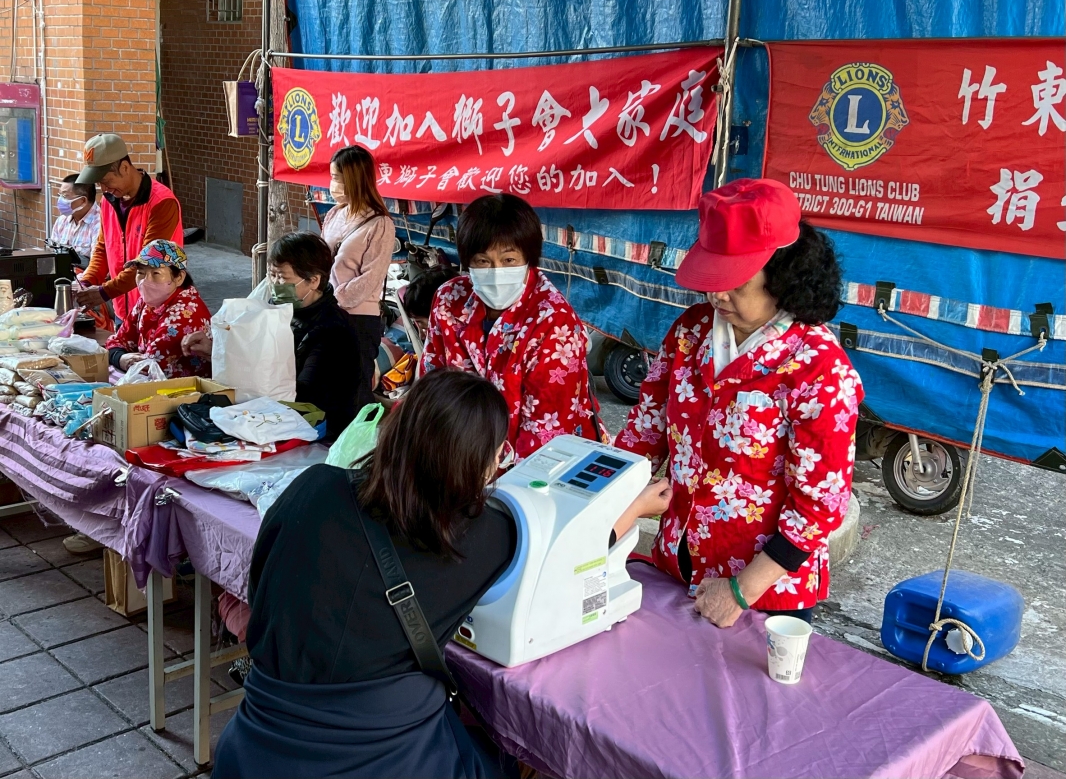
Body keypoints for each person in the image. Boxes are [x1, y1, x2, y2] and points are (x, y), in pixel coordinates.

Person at [212, 369, 669, 778]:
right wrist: (635, 510)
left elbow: (261, 580)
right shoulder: (483, 536)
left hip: (254, 749)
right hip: (384, 761)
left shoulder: (314, 487)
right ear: (483, 461)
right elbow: (564, 562)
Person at [615, 178, 864, 627]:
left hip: (763, 589)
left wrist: (740, 590)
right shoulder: (692, 331)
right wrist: (607, 509)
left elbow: (819, 506)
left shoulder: (819, 368)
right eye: (711, 278)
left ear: (783, 274)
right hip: (677, 560)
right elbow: (645, 428)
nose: (717, 295)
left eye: (734, 281)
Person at [420, 193, 604, 460]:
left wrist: (494, 476)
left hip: (539, 457)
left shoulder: (554, 321)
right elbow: (431, 381)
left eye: (508, 260)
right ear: (467, 261)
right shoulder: (449, 300)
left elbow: (545, 433)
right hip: (461, 453)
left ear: (529, 258)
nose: (496, 272)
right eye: (482, 261)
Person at [182, 232, 366, 440]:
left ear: (314, 280)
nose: (275, 284)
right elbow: (258, 358)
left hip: (318, 430)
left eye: (283, 277)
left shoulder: (333, 330)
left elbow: (301, 393)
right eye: (272, 275)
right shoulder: (278, 311)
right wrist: (218, 349)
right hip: (276, 419)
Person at [74, 134, 184, 321]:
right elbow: (103, 248)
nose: (103, 188)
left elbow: (148, 263)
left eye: (106, 181)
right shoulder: (109, 201)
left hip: (158, 311)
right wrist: (85, 282)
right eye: (99, 183)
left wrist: (104, 292)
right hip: (123, 311)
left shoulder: (162, 203)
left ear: (124, 167)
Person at [322, 145, 396, 414]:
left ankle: (357, 439)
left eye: (337, 178)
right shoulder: (334, 214)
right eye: (332, 176)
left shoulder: (380, 224)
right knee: (326, 385)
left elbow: (371, 278)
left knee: (354, 391)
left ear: (354, 179)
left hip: (358, 318)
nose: (332, 184)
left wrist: (334, 298)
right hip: (328, 312)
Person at [106, 240, 211, 379]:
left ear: (179, 278)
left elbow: (148, 368)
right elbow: (118, 340)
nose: (145, 281)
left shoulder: (184, 314)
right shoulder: (148, 302)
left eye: (156, 273)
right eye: (141, 272)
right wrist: (120, 357)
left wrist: (119, 358)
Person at [49, 173, 101, 264]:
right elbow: (51, 256)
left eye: (65, 196)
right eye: (59, 195)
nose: (60, 200)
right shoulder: (62, 221)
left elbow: (97, 265)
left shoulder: (100, 224)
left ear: (83, 201)